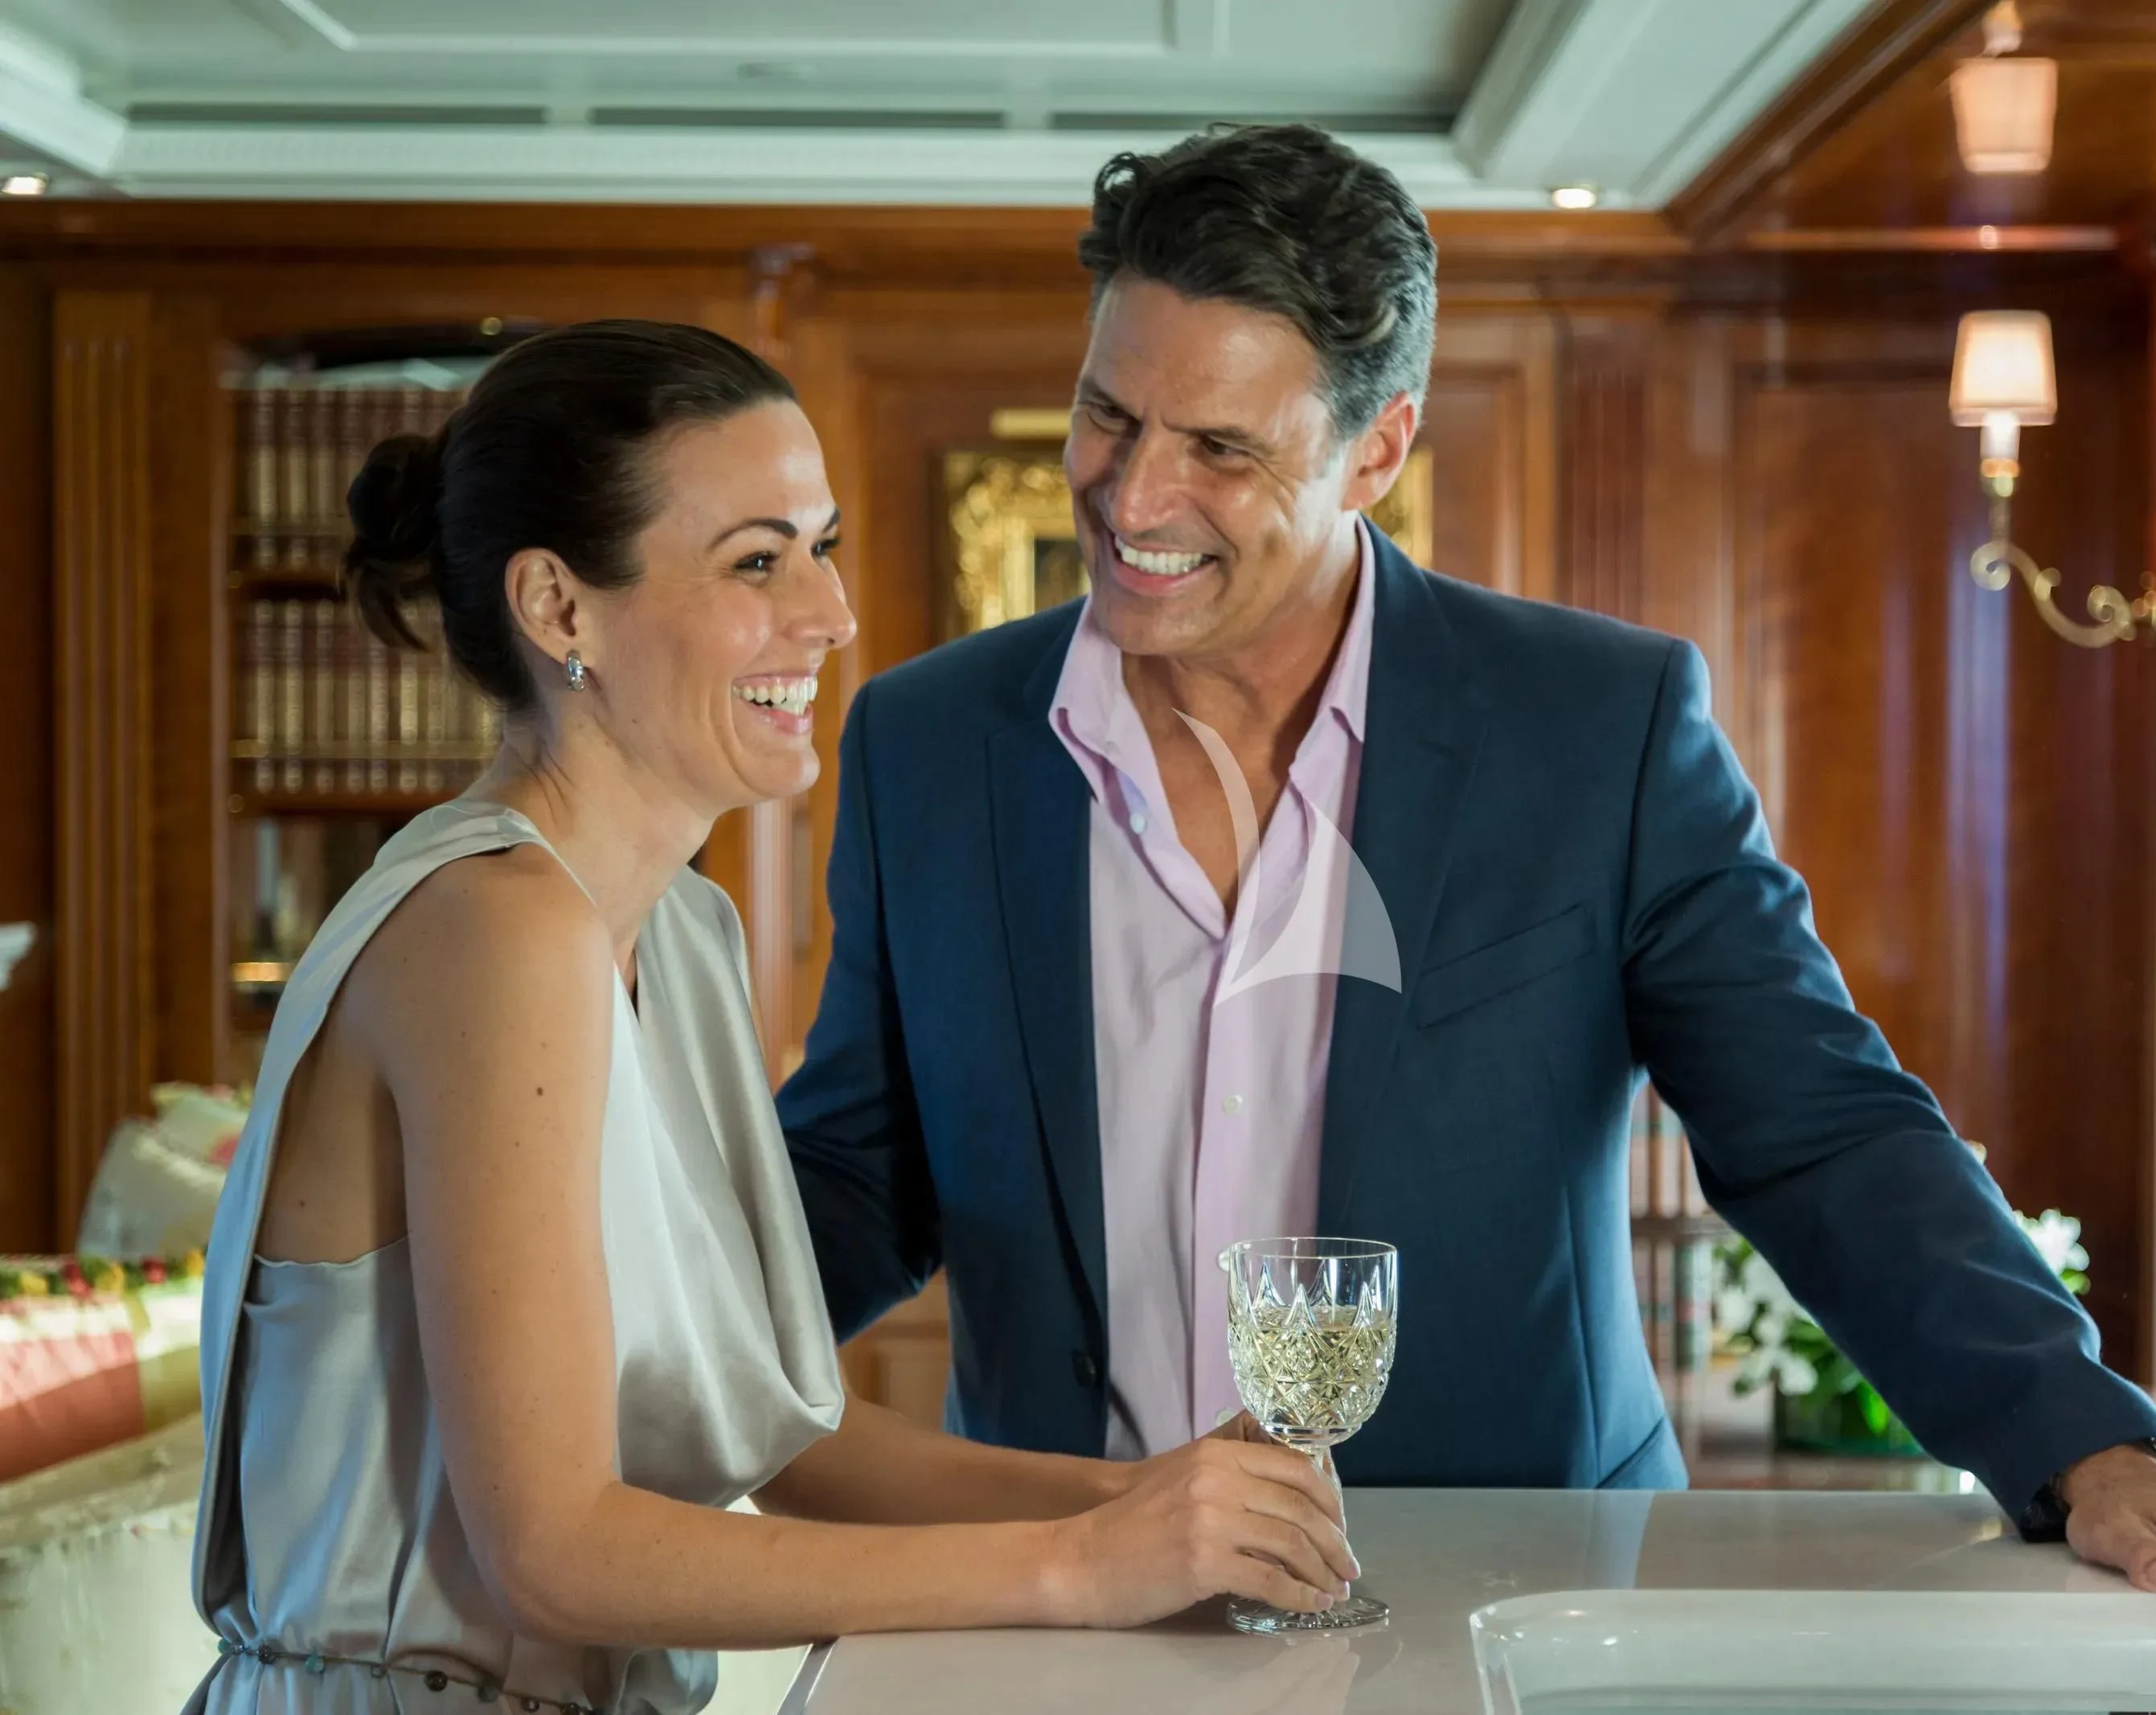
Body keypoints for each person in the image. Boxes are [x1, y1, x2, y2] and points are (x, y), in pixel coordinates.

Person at [777, 125, 2156, 1704]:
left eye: (1222, 449)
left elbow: (1821, 1126)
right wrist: (624, 1347)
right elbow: (862, 1160)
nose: (1134, 489)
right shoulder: (929, 736)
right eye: (1109, 412)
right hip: (1060, 1612)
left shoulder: (1599, 727)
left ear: (1377, 452)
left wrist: (2084, 1435)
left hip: (1521, 1606)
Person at [186, 321, 1357, 1715]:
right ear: (560, 610)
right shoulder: (495, 931)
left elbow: (786, 1442)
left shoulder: (679, 934)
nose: (831, 614)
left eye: (824, 544)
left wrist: (1157, 1500)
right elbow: (555, 1557)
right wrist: (1078, 1565)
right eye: (756, 561)